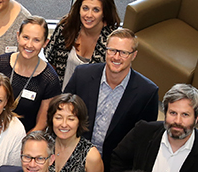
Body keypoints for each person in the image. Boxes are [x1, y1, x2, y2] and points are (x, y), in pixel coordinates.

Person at [62, 27, 159, 156]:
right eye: (112, 51)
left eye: (124, 53)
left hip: (115, 162)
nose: (116, 57)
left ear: (134, 55)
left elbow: (144, 138)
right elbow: (63, 110)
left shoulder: (147, 93)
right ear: (105, 50)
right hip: (75, 153)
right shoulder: (82, 75)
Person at [0, 16, 62, 132]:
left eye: (36, 40)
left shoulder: (49, 79)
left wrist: (19, 144)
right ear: (18, 36)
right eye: (25, 37)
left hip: (23, 140)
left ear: (45, 43)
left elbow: (40, 126)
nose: (29, 45)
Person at [43, 0, 121, 86]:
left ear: (104, 13)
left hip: (89, 98)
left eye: (96, 10)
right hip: (59, 94)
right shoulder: (65, 28)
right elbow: (51, 64)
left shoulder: (112, 42)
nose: (89, 15)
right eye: (85, 8)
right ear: (79, 9)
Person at [45, 93, 102, 172]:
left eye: (71, 119)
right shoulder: (43, 143)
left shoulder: (91, 156)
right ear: (51, 119)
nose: (64, 124)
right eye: (58, 117)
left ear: (79, 121)